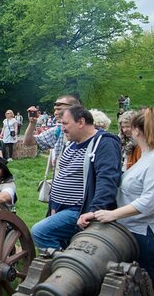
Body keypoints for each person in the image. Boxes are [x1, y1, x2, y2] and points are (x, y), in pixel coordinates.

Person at [77, 108, 154, 296]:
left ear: (136, 131)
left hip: (152, 232)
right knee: (140, 281)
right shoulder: (151, 155)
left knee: (153, 283)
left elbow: (150, 201)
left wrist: (112, 215)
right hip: (140, 229)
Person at [30, 106, 121, 250]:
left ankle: (65, 265)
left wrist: (95, 210)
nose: (62, 128)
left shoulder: (104, 143)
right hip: (59, 208)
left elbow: (107, 179)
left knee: (40, 232)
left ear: (81, 122)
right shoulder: (71, 143)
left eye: (65, 124)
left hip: (80, 210)